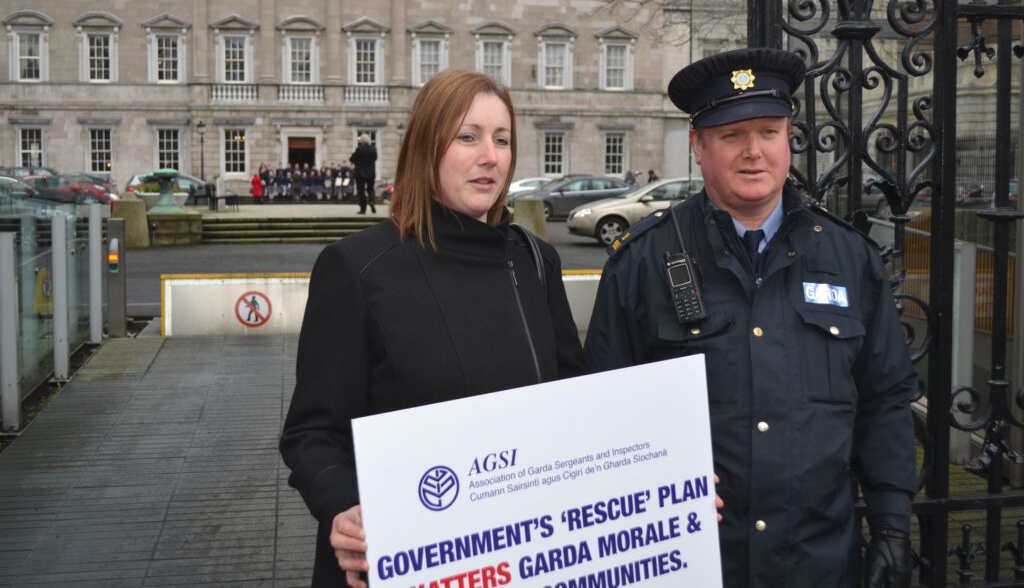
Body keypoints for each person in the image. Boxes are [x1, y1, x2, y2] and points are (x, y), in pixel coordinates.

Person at [584, 48, 917, 588]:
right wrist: (649, 483)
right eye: (731, 135)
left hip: (817, 562)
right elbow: (603, 412)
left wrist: (892, 525)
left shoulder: (849, 258)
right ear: (698, 146)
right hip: (694, 562)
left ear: (789, 138)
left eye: (768, 131)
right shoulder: (641, 262)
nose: (753, 152)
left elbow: (884, 401)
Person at [279, 69, 587, 588]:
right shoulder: (356, 268)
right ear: (426, 148)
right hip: (399, 558)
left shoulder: (536, 260)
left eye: (502, 139)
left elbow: (575, 400)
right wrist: (341, 506)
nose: (490, 156)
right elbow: (312, 433)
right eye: (468, 137)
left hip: (519, 553)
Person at [351, 133, 377, 214]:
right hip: (371, 173)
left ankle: (363, 209)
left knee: (361, 191)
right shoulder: (373, 149)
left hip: (360, 173)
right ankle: (372, 201)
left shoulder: (359, 149)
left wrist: (354, 155)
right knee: (371, 189)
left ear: (362, 141)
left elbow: (352, 159)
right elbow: (375, 158)